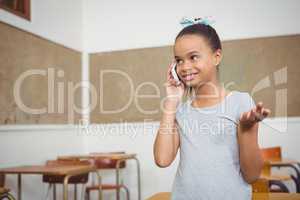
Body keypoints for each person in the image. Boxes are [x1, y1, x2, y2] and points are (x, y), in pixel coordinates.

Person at [153, 20, 271, 200]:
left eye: (193, 57)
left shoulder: (240, 102)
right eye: (179, 60)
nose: (184, 67)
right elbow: (162, 159)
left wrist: (247, 130)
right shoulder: (181, 111)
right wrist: (171, 102)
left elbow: (252, 175)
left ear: (217, 56)